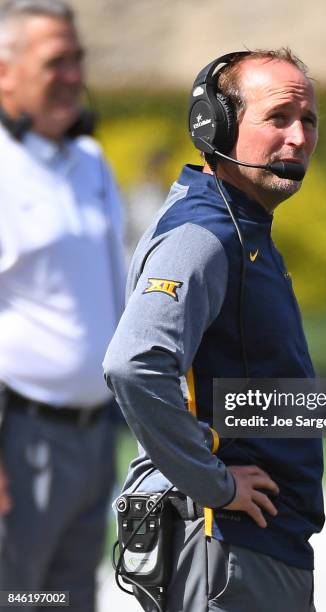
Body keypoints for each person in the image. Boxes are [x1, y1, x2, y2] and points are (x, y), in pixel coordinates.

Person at [104, 48, 324, 612]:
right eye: (278, 118)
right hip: (222, 543)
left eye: (308, 121)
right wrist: (214, 482)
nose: (298, 138)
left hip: (256, 544)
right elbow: (133, 364)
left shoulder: (241, 225)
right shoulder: (203, 236)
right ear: (216, 125)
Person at [0, 1, 125, 609]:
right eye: (56, 61)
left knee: (70, 600)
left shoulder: (92, 163)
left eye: (78, 59)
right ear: (5, 71)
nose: (75, 74)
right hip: (20, 439)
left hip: (96, 435)